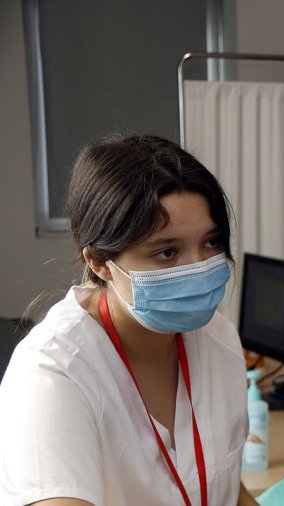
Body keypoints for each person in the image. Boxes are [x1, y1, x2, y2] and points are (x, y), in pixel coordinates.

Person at [0, 134, 259, 505]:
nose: (199, 267)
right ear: (100, 263)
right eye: (167, 252)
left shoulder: (218, 339)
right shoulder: (52, 375)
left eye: (212, 242)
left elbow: (225, 486)